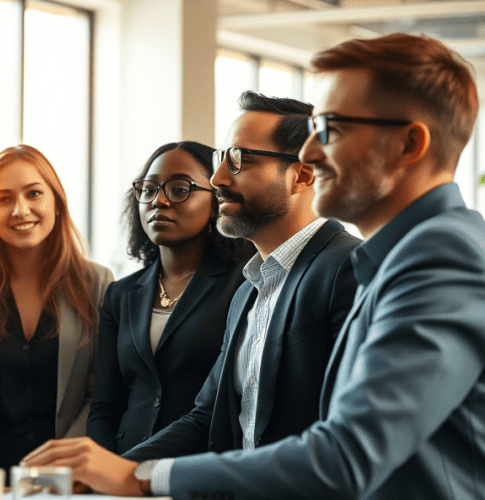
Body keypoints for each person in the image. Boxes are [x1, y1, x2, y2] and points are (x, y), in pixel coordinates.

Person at [27, 34, 485, 500]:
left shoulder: (443, 254)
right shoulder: (364, 262)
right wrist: (108, 472)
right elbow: (212, 416)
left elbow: (348, 455)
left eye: (328, 130)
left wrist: (140, 478)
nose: (310, 153)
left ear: (410, 145)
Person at [121, 91, 359, 462]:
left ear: (303, 175)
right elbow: (207, 418)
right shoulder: (249, 291)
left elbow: (348, 433)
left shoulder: (348, 269)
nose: (216, 178)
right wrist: (115, 472)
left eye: (238, 160)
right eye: (220, 159)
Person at [86, 141, 254, 454]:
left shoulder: (244, 282)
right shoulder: (120, 294)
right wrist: (104, 467)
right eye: (148, 190)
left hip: (201, 466)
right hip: (122, 466)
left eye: (179, 189)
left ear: (217, 199)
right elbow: (105, 406)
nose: (158, 201)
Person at [0, 145, 113, 471]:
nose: (20, 210)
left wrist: (61, 464)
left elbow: (100, 392)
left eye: (34, 194)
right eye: (3, 199)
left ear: (56, 203)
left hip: (65, 480)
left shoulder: (96, 283)